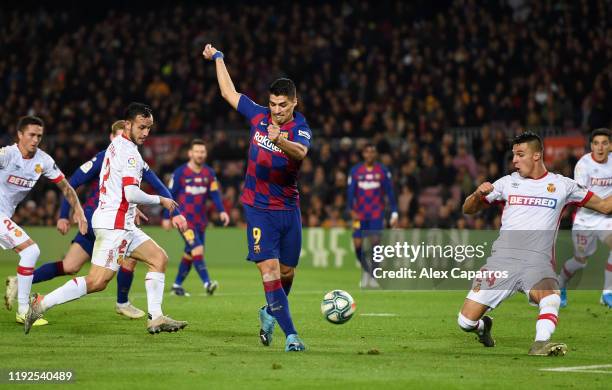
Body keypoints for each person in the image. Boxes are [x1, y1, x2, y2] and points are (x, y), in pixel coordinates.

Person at [25, 103, 188, 335]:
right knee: (97, 282)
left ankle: (156, 317)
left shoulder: (115, 146)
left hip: (122, 221)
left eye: (149, 128)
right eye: (142, 127)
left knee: (158, 258)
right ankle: (40, 303)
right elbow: (130, 193)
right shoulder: (129, 152)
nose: (146, 133)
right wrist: (160, 200)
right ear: (128, 124)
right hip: (114, 224)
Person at [459, 132, 612, 356]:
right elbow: (468, 209)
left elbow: (606, 207)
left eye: (520, 155)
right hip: (502, 262)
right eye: (514, 155)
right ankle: (484, 327)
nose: (514, 161)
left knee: (551, 295)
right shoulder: (507, 183)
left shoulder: (563, 186)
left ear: (537, 156)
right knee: (465, 322)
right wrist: (476, 194)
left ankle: (540, 343)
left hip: (536, 262)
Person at [203, 43, 311, 351]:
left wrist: (282, 141)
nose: (276, 110)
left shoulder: (300, 128)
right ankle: (291, 336)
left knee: (288, 272)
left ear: (294, 103)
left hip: (289, 209)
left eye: (283, 105)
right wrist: (220, 58)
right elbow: (229, 92)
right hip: (258, 208)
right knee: (269, 270)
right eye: (273, 104)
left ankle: (269, 311)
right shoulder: (258, 116)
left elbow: (301, 152)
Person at [1, 116, 87, 327]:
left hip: (4, 215)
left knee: (30, 252)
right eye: (31, 134)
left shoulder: (43, 161)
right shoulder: (7, 155)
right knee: (31, 251)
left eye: (39, 135)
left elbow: (66, 187)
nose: (35, 139)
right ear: (20, 135)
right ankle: (24, 311)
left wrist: (79, 212)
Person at [164, 139, 230, 297]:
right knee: (197, 249)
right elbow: (169, 194)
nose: (200, 154)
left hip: (201, 221)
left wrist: (222, 211)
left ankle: (176, 285)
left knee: (190, 253)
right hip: (184, 220)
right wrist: (167, 216)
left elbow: (214, 194)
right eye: (197, 151)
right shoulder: (180, 172)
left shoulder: (209, 173)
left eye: (202, 152)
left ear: (205, 154)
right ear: (190, 153)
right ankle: (207, 283)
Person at [558, 128, 612, 308]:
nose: (600, 147)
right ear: (591, 146)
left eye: (604, 143)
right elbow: (580, 197)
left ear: (610, 146)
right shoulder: (583, 165)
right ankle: (561, 284)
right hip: (585, 220)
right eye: (596, 143)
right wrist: (604, 205)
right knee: (580, 262)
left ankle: (607, 293)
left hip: (606, 219)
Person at [347, 143, 398, 288]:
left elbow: (390, 193)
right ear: (363, 154)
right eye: (367, 152)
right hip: (359, 214)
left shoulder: (382, 171)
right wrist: (350, 209)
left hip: (376, 213)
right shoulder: (356, 171)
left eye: (372, 152)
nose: (369, 155)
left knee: (376, 244)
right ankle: (367, 271)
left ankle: (374, 275)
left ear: (375, 154)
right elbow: (350, 193)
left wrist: (394, 212)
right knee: (357, 245)